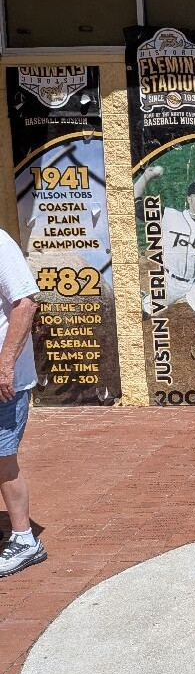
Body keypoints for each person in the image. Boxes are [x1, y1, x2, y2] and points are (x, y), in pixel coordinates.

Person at [134, 167, 195, 393]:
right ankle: (141, 308)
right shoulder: (170, 217)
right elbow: (135, 202)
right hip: (171, 280)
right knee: (149, 308)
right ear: (188, 200)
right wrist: (146, 176)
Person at [0, 230, 45, 578]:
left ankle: (25, 539)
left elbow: (26, 302)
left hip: (3, 380)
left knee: (3, 458)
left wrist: (5, 366)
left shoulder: (0, 244)